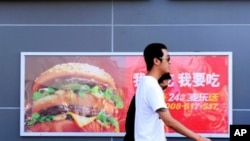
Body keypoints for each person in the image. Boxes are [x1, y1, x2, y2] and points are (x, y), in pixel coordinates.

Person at [134, 43, 211, 141]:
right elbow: (168, 121)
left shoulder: (145, 82)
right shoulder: (151, 85)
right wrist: (199, 138)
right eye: (167, 59)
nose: (169, 63)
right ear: (156, 61)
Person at [124, 73, 172, 141]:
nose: (163, 91)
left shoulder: (148, 97)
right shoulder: (147, 94)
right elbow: (169, 121)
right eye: (162, 87)